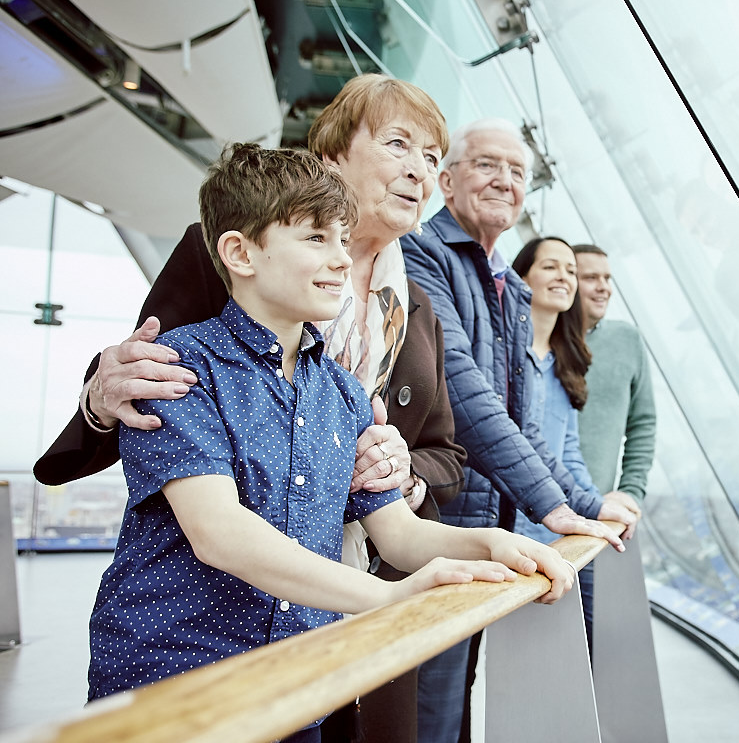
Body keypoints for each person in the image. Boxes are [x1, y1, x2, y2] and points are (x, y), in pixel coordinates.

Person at [32, 75, 563, 743]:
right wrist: (99, 398)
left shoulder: (403, 316)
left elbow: (439, 458)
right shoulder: (220, 272)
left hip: (335, 619)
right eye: (399, 143)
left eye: (432, 156)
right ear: (334, 154)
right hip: (191, 655)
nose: (419, 170)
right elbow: (149, 370)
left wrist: (458, 512)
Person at [400, 119, 638, 743]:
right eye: (486, 165)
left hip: (485, 536)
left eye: (517, 172)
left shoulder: (504, 285)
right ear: (445, 181)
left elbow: (527, 426)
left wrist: (587, 505)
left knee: (454, 704)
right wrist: (556, 506)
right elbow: (466, 392)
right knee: (424, 705)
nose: (504, 181)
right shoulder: (420, 254)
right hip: (434, 529)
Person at [510, 236, 623, 655]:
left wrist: (595, 506)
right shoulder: (508, 360)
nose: (565, 278)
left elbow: (568, 451)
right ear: (521, 279)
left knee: (564, 651)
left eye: (570, 271)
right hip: (513, 535)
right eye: (551, 267)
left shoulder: (563, 362)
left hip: (558, 534)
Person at [572, 244, 655, 508]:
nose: (603, 287)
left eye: (607, 278)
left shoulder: (627, 339)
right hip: (536, 515)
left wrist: (631, 491)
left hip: (603, 512)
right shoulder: (538, 343)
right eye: (590, 278)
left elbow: (643, 422)